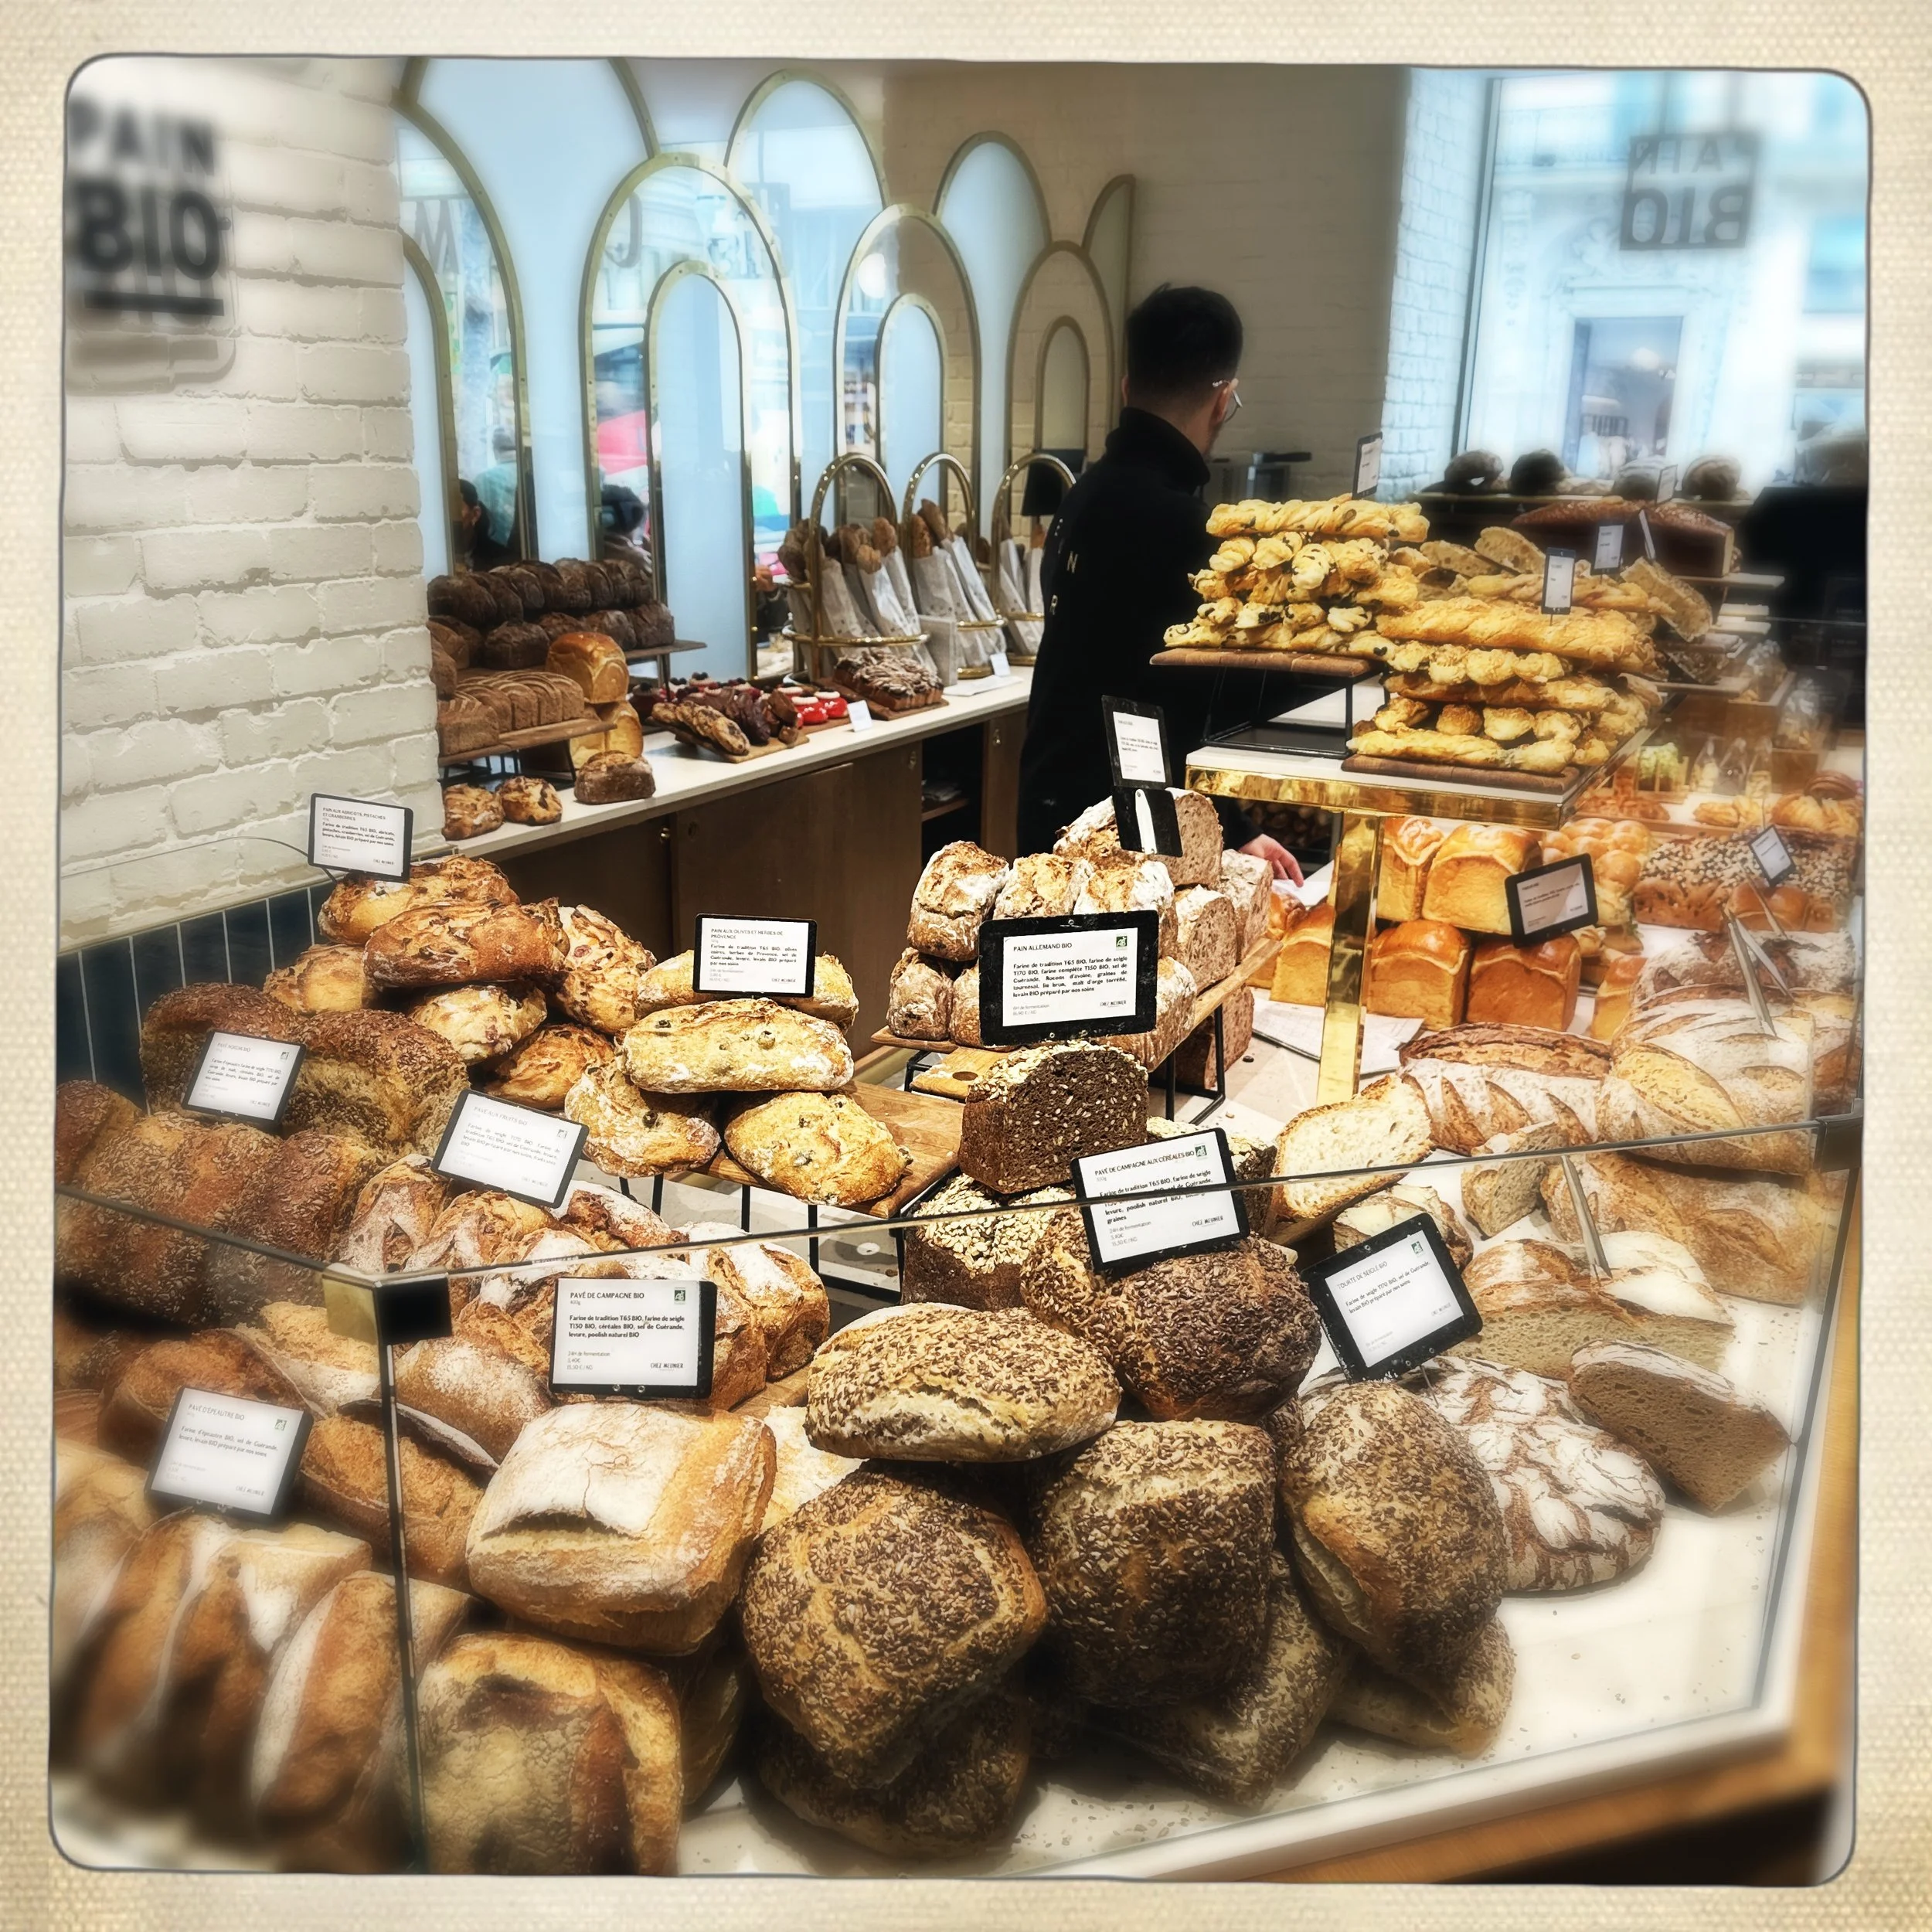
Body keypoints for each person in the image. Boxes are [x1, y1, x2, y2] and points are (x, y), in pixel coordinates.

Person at [1015, 284, 1301, 881]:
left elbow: (1115, 679)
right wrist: (1233, 829)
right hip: (1129, 829)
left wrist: (1233, 832)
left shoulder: (1081, 497)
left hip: (1052, 806)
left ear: (1127, 388)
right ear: (1223, 400)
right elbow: (1180, 708)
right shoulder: (1192, 531)